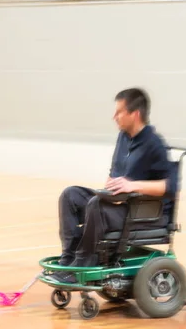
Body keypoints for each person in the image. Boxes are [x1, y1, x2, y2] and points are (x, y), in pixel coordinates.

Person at [50, 87, 175, 283]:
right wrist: (112, 187)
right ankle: (69, 259)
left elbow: (170, 187)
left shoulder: (154, 144)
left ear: (135, 114)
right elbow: (116, 175)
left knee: (96, 206)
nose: (114, 116)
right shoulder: (123, 138)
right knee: (71, 195)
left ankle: (83, 264)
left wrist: (132, 186)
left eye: (119, 112)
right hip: (120, 203)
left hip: (145, 212)